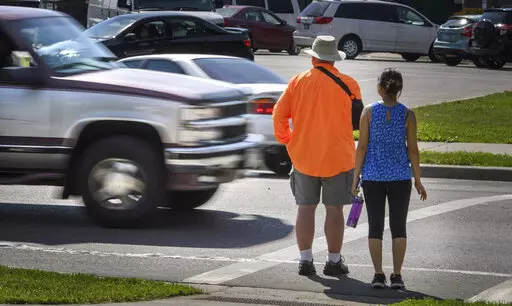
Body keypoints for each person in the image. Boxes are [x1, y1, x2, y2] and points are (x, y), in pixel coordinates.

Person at [273, 35, 362, 276]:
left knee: (306, 208)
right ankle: (333, 261)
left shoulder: (297, 82)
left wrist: (287, 140)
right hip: (338, 157)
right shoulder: (350, 84)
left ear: (313, 57)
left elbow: (278, 116)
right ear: (334, 59)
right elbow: (357, 122)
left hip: (304, 156)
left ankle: (305, 260)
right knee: (334, 210)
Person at [351, 68, 427, 290]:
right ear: (399, 90)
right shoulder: (407, 115)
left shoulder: (368, 112)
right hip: (400, 178)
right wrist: (418, 180)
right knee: (398, 227)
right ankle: (397, 275)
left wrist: (355, 178)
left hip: (373, 177)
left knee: (375, 227)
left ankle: (377, 275)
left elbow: (362, 147)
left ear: (379, 88)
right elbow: (413, 150)